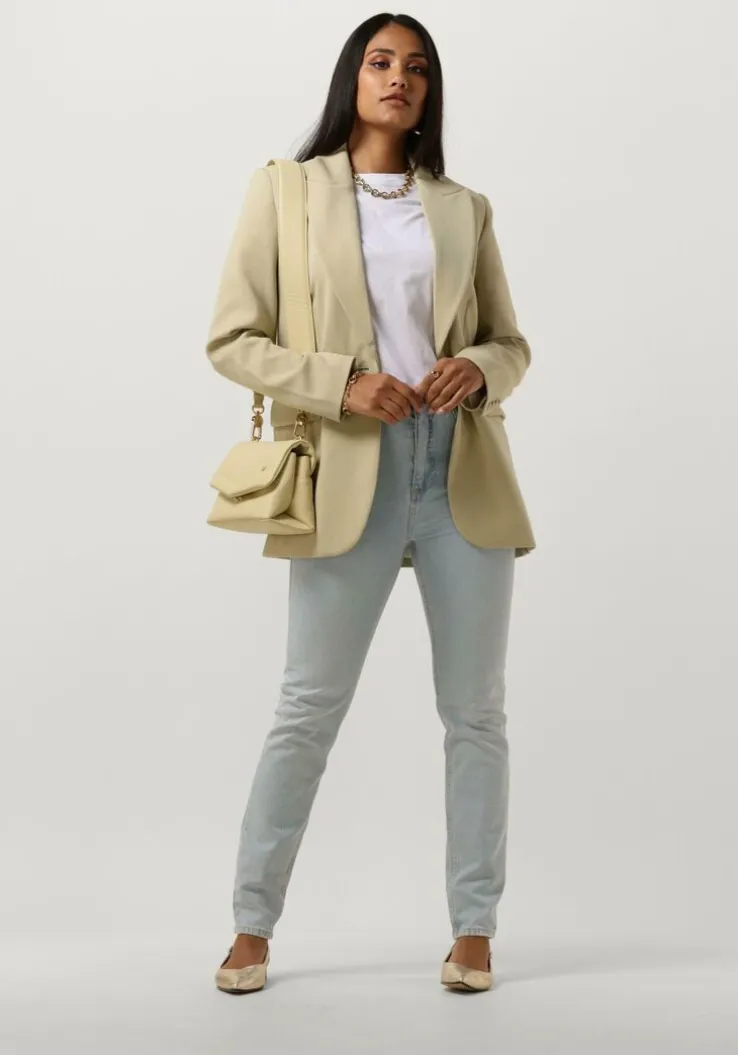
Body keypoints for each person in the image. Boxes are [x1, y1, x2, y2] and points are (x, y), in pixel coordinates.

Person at [206, 12, 536, 995]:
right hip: (347, 468)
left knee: (476, 713)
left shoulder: (464, 208)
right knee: (307, 707)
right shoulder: (285, 191)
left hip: (459, 471)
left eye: (418, 67)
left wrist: (479, 368)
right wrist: (339, 383)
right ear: (353, 75)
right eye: (383, 61)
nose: (400, 78)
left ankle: (474, 929)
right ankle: (251, 926)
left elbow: (511, 342)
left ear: (430, 92)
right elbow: (232, 339)